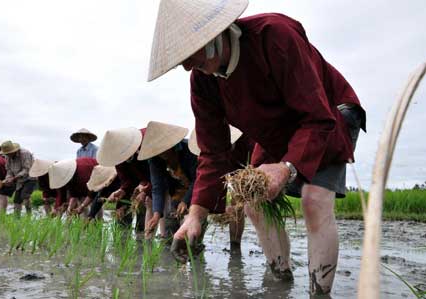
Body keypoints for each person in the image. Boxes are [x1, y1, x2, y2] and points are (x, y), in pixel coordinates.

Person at [147, 0, 366, 295]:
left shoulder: (274, 35)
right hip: (275, 130)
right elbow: (213, 152)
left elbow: (317, 116)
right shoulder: (203, 82)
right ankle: (281, 279)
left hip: (328, 112)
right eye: (180, 61)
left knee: (314, 199)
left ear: (214, 34)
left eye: (189, 55)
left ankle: (319, 292)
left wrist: (287, 167)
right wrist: (196, 215)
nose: (186, 66)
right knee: (251, 201)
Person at [189, 125, 255, 249]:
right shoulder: (211, 153)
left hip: (249, 168)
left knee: (238, 206)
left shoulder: (248, 142)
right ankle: (197, 242)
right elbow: (207, 180)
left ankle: (235, 245)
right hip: (227, 170)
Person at [137, 121, 199, 241]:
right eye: (157, 150)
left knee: (193, 231)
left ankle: (194, 254)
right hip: (176, 192)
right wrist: (156, 214)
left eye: (164, 148)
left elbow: (197, 180)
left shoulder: (189, 150)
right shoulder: (154, 159)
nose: (162, 153)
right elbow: (157, 187)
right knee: (171, 230)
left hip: (196, 191)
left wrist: (186, 201)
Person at [96, 127, 150, 230]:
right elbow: (127, 181)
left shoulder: (145, 146)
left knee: (145, 205)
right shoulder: (119, 160)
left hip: (161, 182)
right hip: (141, 185)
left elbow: (157, 176)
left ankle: (144, 233)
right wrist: (122, 190)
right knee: (122, 222)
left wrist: (145, 190)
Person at [0, 140, 37, 216]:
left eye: (9, 153)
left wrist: (14, 178)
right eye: (6, 154)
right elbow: (9, 170)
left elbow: (27, 169)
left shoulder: (24, 153)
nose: (7, 155)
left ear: (13, 151)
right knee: (17, 200)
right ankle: (17, 218)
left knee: (25, 195)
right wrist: (8, 179)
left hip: (30, 177)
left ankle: (29, 216)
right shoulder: (7, 157)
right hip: (19, 180)